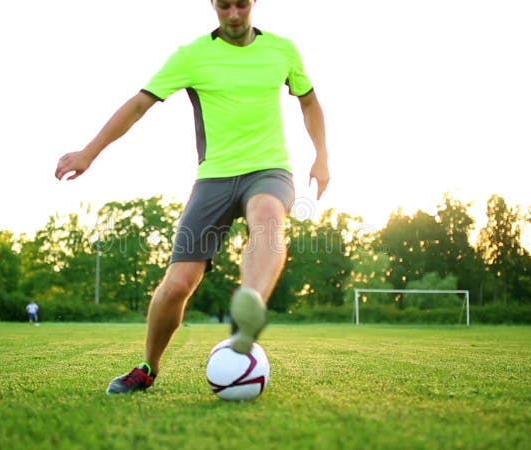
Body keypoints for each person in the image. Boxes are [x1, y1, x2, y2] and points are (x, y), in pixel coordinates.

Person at [54, 0, 329, 395]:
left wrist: (322, 156)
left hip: (268, 170)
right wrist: (88, 152)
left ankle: (247, 312)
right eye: (224, 6)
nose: (234, 15)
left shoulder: (282, 50)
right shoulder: (192, 56)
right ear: (212, 6)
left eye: (242, 5)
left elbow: (309, 102)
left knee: (268, 215)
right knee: (179, 283)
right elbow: (137, 106)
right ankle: (148, 367)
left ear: (254, 3)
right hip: (213, 178)